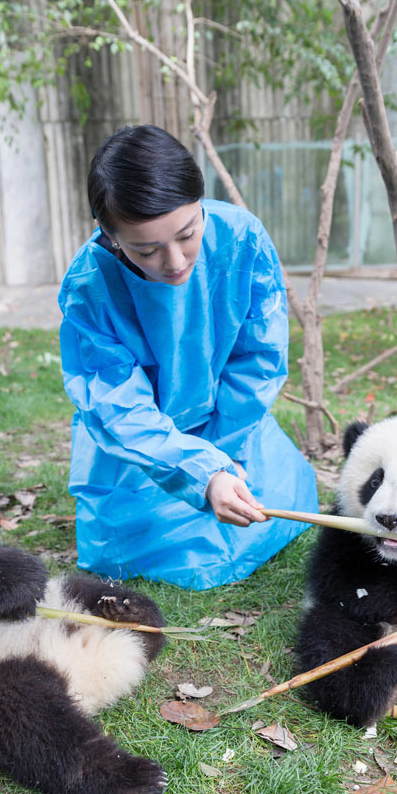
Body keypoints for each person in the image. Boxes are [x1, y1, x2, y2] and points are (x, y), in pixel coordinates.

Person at [57, 124, 319, 590]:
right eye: (147, 249)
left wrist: (225, 455)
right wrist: (200, 473)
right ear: (110, 236)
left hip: (229, 420)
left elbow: (257, 358)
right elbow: (119, 405)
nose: (175, 261)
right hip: (143, 445)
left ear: (201, 204)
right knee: (136, 549)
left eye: (188, 234)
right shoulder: (89, 289)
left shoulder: (242, 239)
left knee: (276, 504)